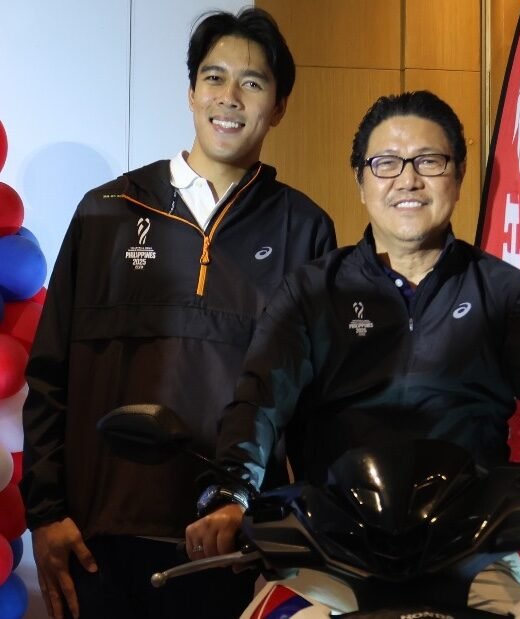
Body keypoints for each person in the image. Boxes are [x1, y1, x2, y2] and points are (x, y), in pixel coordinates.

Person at [186, 91, 520, 615]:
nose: (407, 179)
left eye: (429, 161)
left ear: (457, 177)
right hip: (331, 557)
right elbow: (259, 402)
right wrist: (229, 496)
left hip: (475, 556)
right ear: (361, 182)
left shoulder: (504, 293)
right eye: (386, 163)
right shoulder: (310, 291)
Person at [21, 8, 336, 619]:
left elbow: (314, 405)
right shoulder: (106, 212)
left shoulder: (305, 230)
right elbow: (50, 370)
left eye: (253, 82)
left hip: (235, 546)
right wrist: (46, 513)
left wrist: (301, 531)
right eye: (214, 78)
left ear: (280, 105)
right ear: (191, 92)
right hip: (97, 540)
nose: (230, 98)